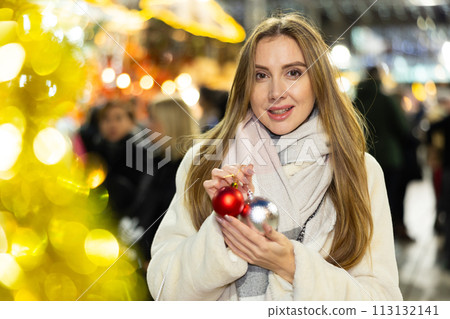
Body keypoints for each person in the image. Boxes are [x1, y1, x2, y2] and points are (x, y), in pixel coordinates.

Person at [147, 13, 402, 300]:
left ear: (318, 81)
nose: (276, 92)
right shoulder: (204, 162)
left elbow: (382, 302)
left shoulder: (360, 171)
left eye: (293, 73)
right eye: (261, 75)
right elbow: (164, 286)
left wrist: (292, 265)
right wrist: (224, 229)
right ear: (246, 84)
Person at [355, 67, 414, 242]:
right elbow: (402, 128)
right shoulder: (386, 100)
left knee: (367, 200)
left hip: (361, 157)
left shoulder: (355, 101)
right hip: (389, 158)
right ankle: (388, 236)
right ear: (379, 78)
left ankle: (367, 236)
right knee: (389, 199)